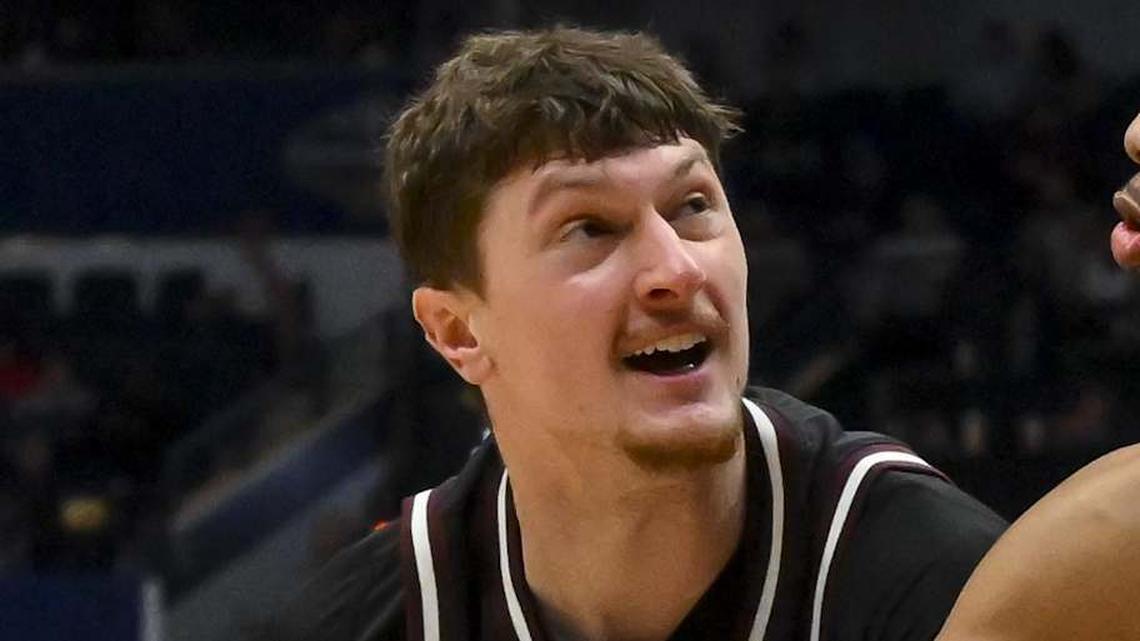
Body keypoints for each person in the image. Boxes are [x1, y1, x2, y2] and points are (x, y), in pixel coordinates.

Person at [272, 27, 1009, 641]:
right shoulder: (370, 615)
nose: (676, 269)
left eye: (692, 205)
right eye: (589, 226)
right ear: (458, 330)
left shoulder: (937, 581)